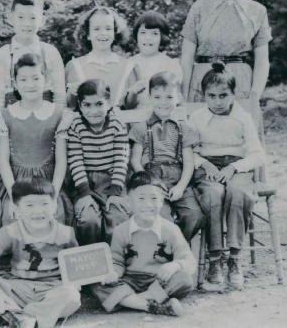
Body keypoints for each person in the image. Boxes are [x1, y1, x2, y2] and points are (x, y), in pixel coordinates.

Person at [189, 63, 265, 289]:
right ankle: (214, 259)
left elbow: (257, 155)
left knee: (237, 192)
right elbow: (189, 151)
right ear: (204, 96)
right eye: (211, 96)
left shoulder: (243, 117)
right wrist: (204, 163)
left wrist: (235, 168)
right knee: (213, 195)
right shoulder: (196, 118)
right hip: (207, 166)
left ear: (233, 94)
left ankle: (234, 257)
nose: (217, 102)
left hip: (237, 166)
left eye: (223, 96)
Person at [0, 177, 81, 328]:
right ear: (16, 209)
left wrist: (75, 282)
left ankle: (19, 316)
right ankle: (18, 314)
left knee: (72, 297)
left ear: (55, 206)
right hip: (18, 288)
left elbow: (76, 264)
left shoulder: (66, 234)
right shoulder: (10, 232)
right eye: (29, 205)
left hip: (52, 290)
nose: (38, 211)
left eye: (45, 204)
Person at [92, 171, 196, 317]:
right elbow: (116, 261)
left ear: (162, 201)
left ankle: (132, 301)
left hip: (159, 280)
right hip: (130, 280)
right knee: (98, 284)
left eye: (154, 198)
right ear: (129, 201)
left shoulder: (170, 229)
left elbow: (189, 261)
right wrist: (114, 273)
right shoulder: (121, 231)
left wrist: (174, 265)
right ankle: (153, 306)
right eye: (141, 198)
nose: (148, 204)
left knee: (184, 279)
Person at [0, 53, 72, 235]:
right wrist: (14, 196)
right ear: (15, 83)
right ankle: (18, 261)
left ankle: (51, 261)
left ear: (46, 80)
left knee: (55, 215)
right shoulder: (6, 115)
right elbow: (3, 160)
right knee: (11, 216)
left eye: (36, 78)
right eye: (24, 79)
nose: (30, 84)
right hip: (16, 182)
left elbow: (61, 161)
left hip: (49, 183)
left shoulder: (58, 114)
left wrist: (53, 195)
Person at [180, 0, 271, 105]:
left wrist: (254, 97)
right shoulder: (199, 8)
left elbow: (262, 61)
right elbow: (186, 58)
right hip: (202, 83)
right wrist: (183, 98)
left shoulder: (258, 11)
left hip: (240, 83)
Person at [129, 72, 204, 241]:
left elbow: (189, 162)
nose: (163, 102)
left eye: (169, 97)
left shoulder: (184, 129)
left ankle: (178, 248)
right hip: (151, 177)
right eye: (157, 97)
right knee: (161, 217)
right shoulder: (141, 128)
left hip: (179, 178)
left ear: (178, 98)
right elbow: (135, 160)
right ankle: (165, 252)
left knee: (194, 214)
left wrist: (181, 187)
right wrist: (150, 183)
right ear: (149, 97)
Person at [67, 79, 130, 245]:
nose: (93, 111)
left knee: (118, 217)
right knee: (88, 218)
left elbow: (121, 160)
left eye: (99, 104)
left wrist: (115, 193)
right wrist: (85, 194)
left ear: (109, 104)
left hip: (112, 180)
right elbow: (75, 161)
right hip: (84, 182)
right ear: (80, 106)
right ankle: (93, 260)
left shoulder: (117, 125)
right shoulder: (76, 127)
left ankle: (115, 259)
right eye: (87, 105)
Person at [0, 0, 66, 111]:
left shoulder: (50, 52)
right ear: (11, 18)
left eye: (32, 18)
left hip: (46, 119)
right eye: (21, 17)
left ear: (42, 21)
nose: (27, 23)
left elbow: (60, 96)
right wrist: (1, 125)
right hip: (13, 120)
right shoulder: (3, 54)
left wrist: (58, 123)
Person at [65, 6, 140, 109]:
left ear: (115, 33)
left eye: (108, 28)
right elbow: (70, 106)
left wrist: (134, 93)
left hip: (121, 123)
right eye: (96, 29)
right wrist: (72, 92)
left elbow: (132, 106)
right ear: (87, 35)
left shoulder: (129, 67)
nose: (103, 33)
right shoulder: (75, 66)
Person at [126, 11, 183, 109]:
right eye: (143, 33)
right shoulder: (129, 64)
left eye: (154, 34)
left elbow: (177, 100)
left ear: (162, 37)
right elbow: (127, 105)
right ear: (136, 35)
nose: (148, 38)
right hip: (136, 118)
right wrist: (133, 92)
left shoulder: (170, 64)